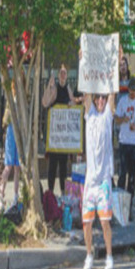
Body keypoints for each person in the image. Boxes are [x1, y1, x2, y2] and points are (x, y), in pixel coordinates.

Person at [81, 90, 116, 269]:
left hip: (103, 181)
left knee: (104, 222)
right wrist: (83, 61)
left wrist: (114, 64)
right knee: (86, 222)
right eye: (98, 98)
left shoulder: (107, 117)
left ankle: (109, 256)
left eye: (103, 98)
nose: (101, 100)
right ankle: (89, 255)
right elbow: (86, 89)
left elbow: (112, 92)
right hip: (90, 181)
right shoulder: (91, 115)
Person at [41, 63, 83, 197]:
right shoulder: (55, 88)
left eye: (65, 73)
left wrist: (74, 103)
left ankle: (63, 193)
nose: (63, 75)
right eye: (61, 73)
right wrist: (49, 86)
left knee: (63, 167)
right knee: (52, 166)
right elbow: (45, 103)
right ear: (58, 75)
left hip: (64, 138)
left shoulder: (68, 89)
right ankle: (51, 193)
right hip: (55, 137)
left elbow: (74, 103)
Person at [114, 77, 135, 216]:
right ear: (128, 90)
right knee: (122, 175)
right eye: (131, 90)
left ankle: (129, 207)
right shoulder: (122, 101)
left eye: (134, 91)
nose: (132, 93)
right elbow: (116, 119)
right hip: (123, 142)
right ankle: (120, 206)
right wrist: (123, 119)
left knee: (132, 177)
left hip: (134, 144)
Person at [0, 91, 20, 213]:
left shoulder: (22, 95)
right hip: (12, 130)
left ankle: (15, 196)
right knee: (9, 165)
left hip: (20, 130)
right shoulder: (12, 96)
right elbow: (7, 116)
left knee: (17, 167)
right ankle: (1, 194)